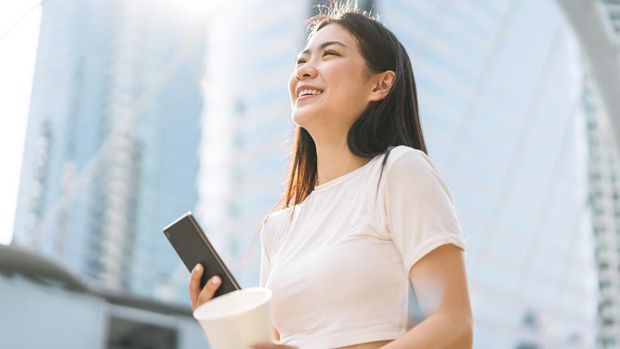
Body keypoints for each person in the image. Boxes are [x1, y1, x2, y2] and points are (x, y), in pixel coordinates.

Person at [189, 4, 473, 349]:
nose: (306, 70)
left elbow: (453, 327)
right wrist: (228, 331)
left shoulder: (399, 171)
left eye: (330, 55)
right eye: (301, 61)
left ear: (380, 85)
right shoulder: (278, 228)